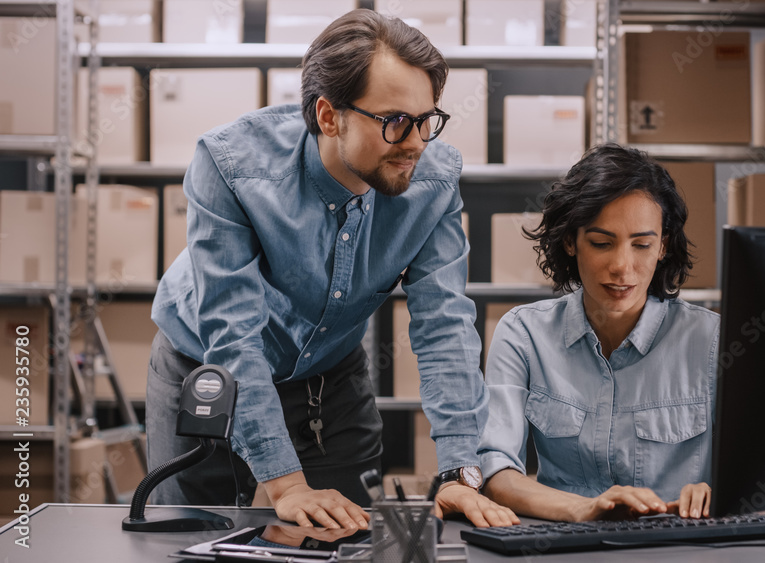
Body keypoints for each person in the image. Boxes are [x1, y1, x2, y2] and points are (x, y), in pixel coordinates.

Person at [146, 9, 517, 530]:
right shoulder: (232, 165)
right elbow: (231, 335)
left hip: (329, 378)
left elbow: (445, 327)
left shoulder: (433, 182)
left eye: (427, 119)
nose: (415, 143)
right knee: (190, 535)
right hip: (207, 370)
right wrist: (286, 483)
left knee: (349, 536)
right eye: (395, 122)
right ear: (328, 115)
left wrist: (460, 469)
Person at [477, 144, 719, 521]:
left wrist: (719, 489)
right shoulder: (523, 334)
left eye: (642, 244)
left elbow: (761, 469)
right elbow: (497, 473)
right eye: (602, 243)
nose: (623, 267)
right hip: (564, 546)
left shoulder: (712, 342)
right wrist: (584, 508)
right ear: (571, 241)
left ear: (663, 247)